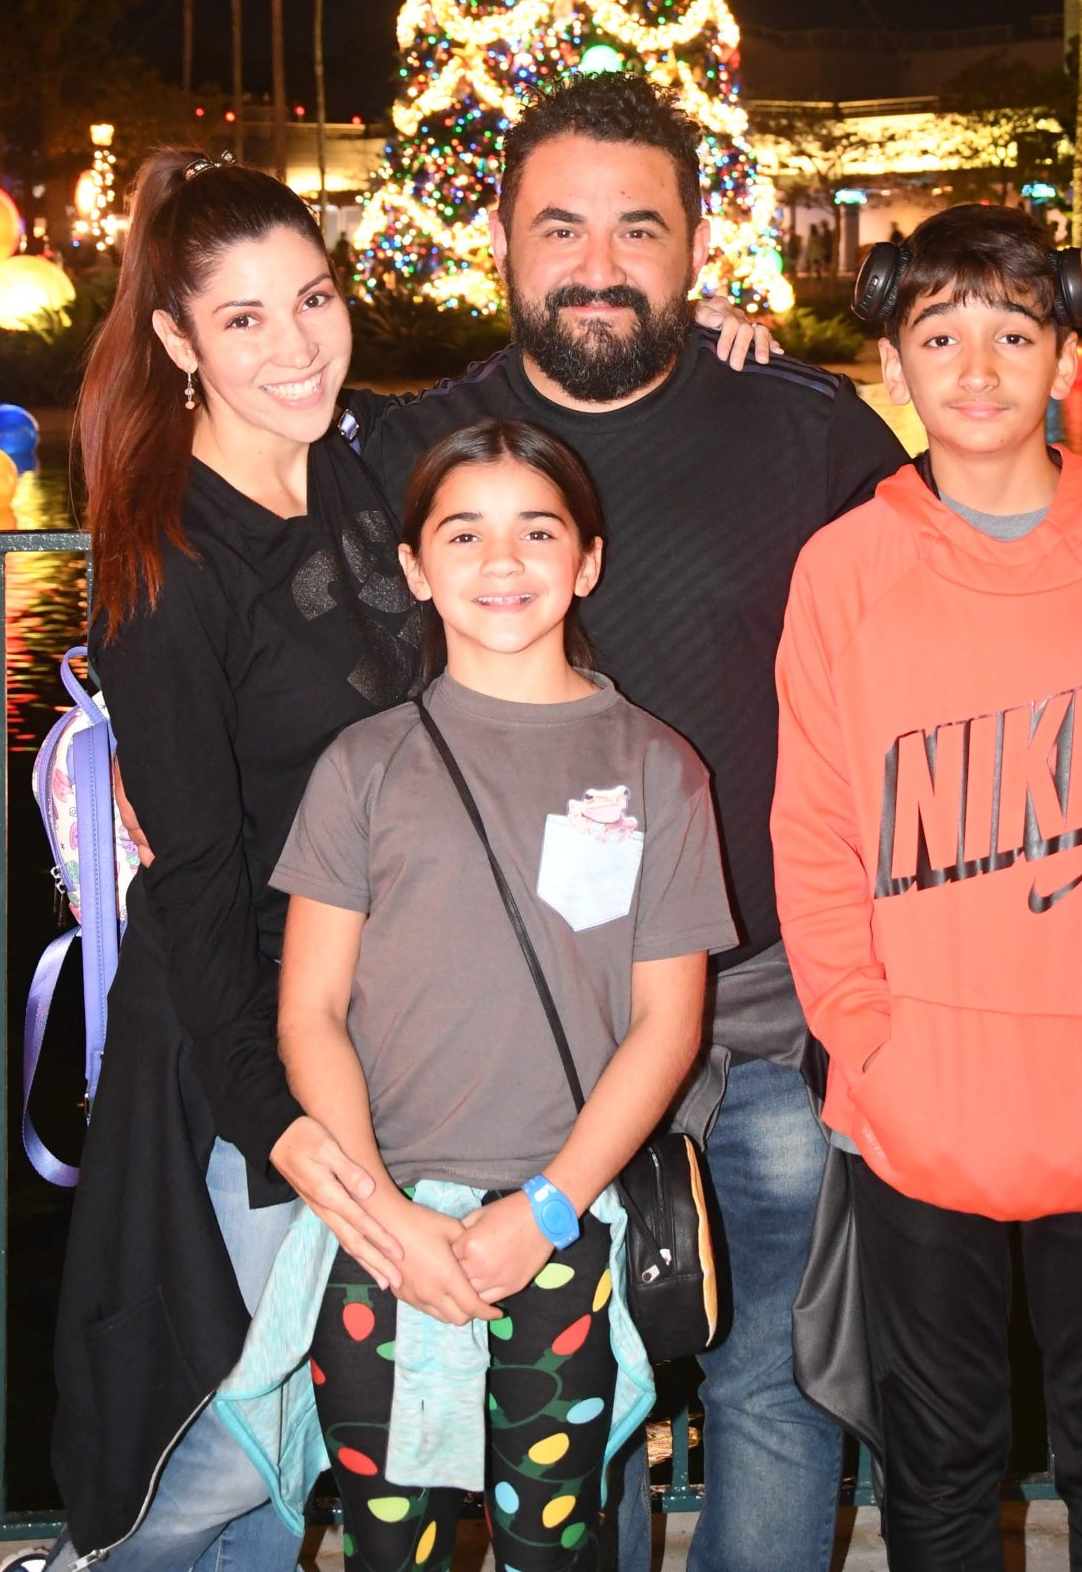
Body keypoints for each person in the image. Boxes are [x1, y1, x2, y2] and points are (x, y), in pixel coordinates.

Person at [16, 148, 766, 1572]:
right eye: (241, 320)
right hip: (262, 1061)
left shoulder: (370, 455)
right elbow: (192, 892)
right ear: (177, 341)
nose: (293, 346)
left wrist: (715, 344)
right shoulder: (173, 568)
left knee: (343, 1450)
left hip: (411, 1034)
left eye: (311, 298)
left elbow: (541, 402)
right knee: (226, 1458)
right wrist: (314, 1162)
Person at [360, 72, 907, 1572]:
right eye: (560, 227)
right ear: (501, 242)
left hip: (764, 1007)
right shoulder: (414, 447)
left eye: (637, 229)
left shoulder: (808, 435)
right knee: (569, 1393)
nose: (598, 265)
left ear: (692, 246)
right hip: (532, 1030)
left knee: (781, 1384)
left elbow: (961, 604)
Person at [772, 203, 1082, 1571]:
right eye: (939, 334)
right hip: (910, 1111)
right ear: (892, 368)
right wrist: (869, 1036)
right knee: (934, 1471)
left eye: (1010, 331)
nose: (975, 366)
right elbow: (811, 831)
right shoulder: (842, 574)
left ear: (1061, 358)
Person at [272, 418, 738, 1568]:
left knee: (558, 1539)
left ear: (585, 559)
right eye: (463, 533)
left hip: (563, 1225)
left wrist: (543, 1209)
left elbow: (667, 1020)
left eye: (536, 531)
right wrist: (385, 1220)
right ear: (416, 567)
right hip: (383, 1232)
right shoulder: (361, 764)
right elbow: (308, 1011)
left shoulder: (655, 765)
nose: (501, 562)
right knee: (396, 1547)